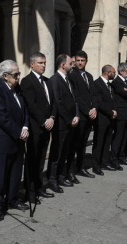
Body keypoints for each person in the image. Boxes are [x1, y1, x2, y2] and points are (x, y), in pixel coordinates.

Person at [0, 60, 30, 220]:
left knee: (16, 172)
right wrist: (19, 132)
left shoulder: (17, 87)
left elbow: (24, 109)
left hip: (18, 137)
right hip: (2, 139)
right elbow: (1, 116)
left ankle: (12, 199)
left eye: (18, 73)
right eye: (15, 74)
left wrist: (25, 127)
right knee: (0, 175)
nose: (18, 77)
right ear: (5, 76)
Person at [21, 52, 58, 201]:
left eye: (44, 63)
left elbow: (53, 102)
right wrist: (44, 121)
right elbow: (31, 105)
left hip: (47, 126)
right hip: (36, 127)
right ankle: (29, 191)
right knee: (32, 160)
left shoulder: (47, 81)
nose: (44, 65)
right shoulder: (27, 81)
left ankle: (39, 187)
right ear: (32, 64)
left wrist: (52, 118)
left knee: (42, 158)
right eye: (40, 63)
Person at [47, 54, 79, 188]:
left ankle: (61, 176)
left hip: (71, 122)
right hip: (61, 124)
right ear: (63, 65)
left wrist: (77, 115)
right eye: (71, 63)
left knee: (65, 152)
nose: (73, 65)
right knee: (57, 153)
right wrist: (69, 119)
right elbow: (58, 103)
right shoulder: (54, 80)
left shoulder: (69, 79)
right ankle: (52, 179)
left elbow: (74, 99)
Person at [68, 50, 98, 179]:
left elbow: (94, 95)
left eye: (82, 60)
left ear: (86, 61)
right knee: (74, 144)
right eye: (78, 60)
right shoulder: (72, 75)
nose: (80, 63)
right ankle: (69, 171)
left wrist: (95, 108)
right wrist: (87, 110)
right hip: (79, 114)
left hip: (90, 116)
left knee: (83, 143)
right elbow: (76, 96)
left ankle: (81, 167)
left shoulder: (89, 76)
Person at [93, 65, 117, 174]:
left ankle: (105, 162)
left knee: (107, 142)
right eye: (113, 72)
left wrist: (114, 111)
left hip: (110, 118)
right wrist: (110, 112)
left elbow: (112, 99)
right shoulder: (97, 84)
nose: (114, 74)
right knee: (99, 143)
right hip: (101, 118)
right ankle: (96, 165)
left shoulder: (110, 85)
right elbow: (99, 102)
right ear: (108, 73)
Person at [111, 63, 127, 169]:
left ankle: (122, 156)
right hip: (121, 114)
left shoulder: (126, 82)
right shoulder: (117, 82)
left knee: (125, 137)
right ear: (121, 71)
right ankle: (114, 159)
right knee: (118, 137)